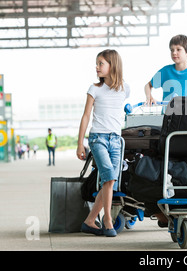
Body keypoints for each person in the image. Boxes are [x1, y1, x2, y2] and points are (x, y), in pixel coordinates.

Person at [76, 49, 130, 238]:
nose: (97, 67)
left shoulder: (125, 88)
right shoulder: (94, 89)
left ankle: (89, 221)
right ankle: (107, 219)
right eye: (97, 63)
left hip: (116, 140)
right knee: (108, 175)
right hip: (98, 138)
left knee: (110, 181)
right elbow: (86, 116)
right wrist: (80, 143)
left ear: (112, 65)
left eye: (101, 63)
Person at [144, 34, 187, 104]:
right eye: (172, 50)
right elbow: (148, 85)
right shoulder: (165, 71)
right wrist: (149, 97)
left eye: (178, 49)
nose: (174, 53)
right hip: (169, 114)